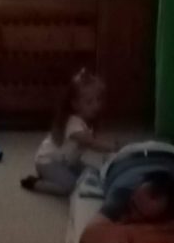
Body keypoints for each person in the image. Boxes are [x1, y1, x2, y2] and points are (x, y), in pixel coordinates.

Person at [78, 141, 174, 243]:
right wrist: (139, 234)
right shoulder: (123, 192)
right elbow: (88, 238)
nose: (129, 212)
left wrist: (155, 235)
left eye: (138, 211)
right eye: (132, 203)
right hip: (124, 157)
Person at [20, 67, 115, 196]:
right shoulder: (73, 123)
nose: (96, 105)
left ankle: (54, 177)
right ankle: (35, 183)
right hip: (47, 162)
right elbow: (91, 143)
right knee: (70, 187)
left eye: (98, 100)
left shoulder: (87, 121)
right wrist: (113, 148)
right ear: (75, 104)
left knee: (91, 173)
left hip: (67, 162)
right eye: (89, 102)